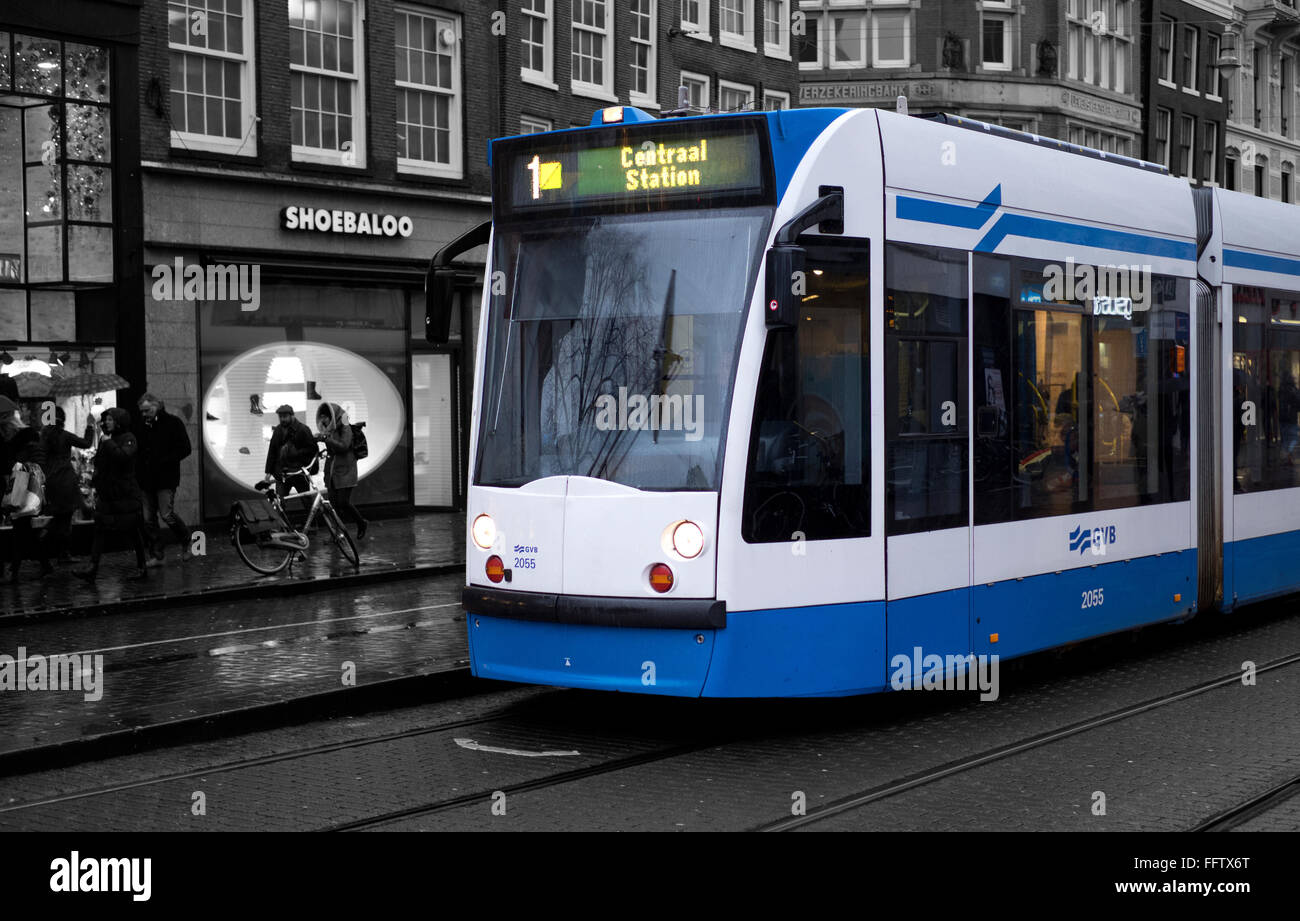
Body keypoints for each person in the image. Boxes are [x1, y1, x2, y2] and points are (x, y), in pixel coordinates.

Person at [75, 407, 149, 582]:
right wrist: (96, 480)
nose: (106, 422)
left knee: (132, 530)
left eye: (109, 419)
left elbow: (123, 457)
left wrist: (108, 443)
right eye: (105, 419)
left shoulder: (129, 438)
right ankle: (93, 567)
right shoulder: (105, 439)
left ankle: (141, 566)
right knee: (99, 529)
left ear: (118, 421)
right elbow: (101, 462)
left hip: (125, 494)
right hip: (108, 494)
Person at [135, 393, 194, 566]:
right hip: (146, 479)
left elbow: (186, 449)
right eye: (142, 411)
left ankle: (186, 540)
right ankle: (158, 554)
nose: (144, 414)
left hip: (165, 478)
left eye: (147, 410)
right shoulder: (141, 425)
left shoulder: (173, 423)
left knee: (167, 514)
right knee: (148, 519)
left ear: (157, 405)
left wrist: (165, 460)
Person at [39, 407, 95, 565]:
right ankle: (49, 541)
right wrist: (90, 425)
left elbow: (41, 459)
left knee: (61, 516)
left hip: (51, 481)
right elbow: (86, 443)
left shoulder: (44, 436)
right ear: (62, 419)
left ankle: (60, 551)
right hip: (66, 479)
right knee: (64, 517)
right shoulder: (64, 435)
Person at [315, 402, 367, 539]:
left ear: (332, 415)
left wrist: (326, 439)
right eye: (321, 416)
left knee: (343, 502)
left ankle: (361, 523)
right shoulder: (328, 430)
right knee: (333, 505)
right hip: (332, 470)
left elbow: (344, 446)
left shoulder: (345, 426)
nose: (323, 419)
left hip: (346, 469)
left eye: (325, 416)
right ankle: (337, 534)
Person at [264, 404, 317, 504]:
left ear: (292, 416)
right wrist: (268, 472)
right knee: (279, 503)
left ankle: (314, 520)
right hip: (282, 473)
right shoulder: (278, 430)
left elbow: (312, 449)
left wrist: (296, 453)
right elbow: (272, 451)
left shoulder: (303, 429)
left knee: (307, 502)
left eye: (285, 416)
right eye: (280, 417)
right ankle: (281, 520)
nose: (282, 419)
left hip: (299, 473)